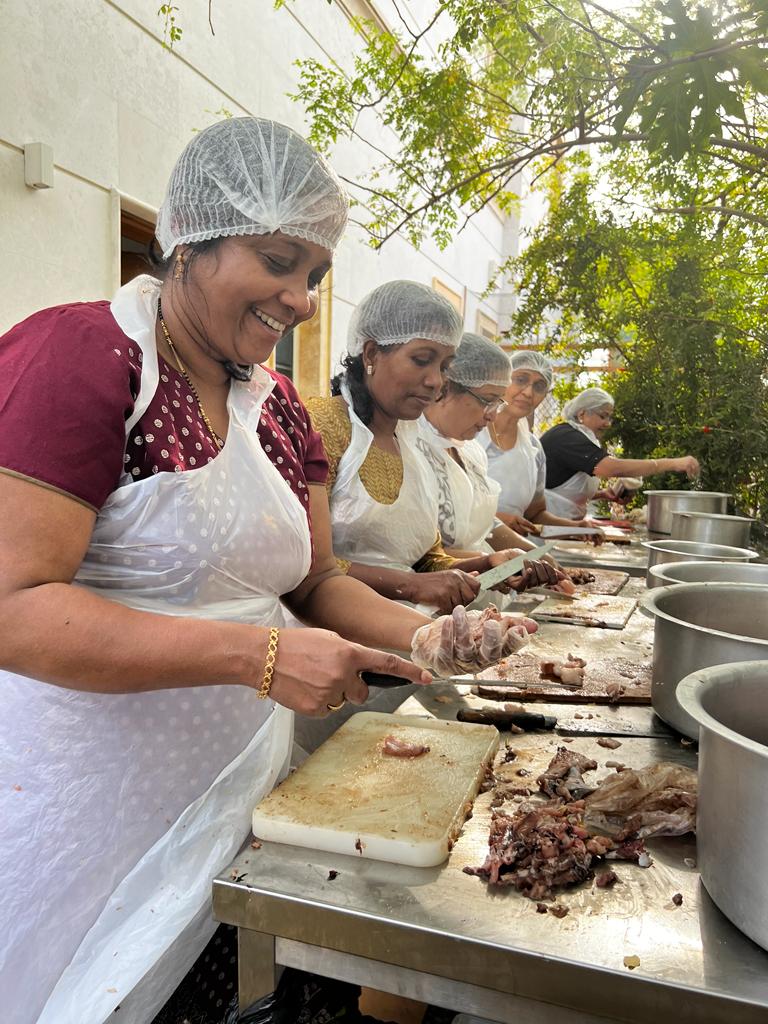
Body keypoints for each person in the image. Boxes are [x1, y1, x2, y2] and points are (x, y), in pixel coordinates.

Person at [0, 118, 534, 1024]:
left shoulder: (278, 405)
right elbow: (15, 608)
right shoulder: (85, 357)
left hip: (248, 790)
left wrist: (429, 634)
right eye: (278, 260)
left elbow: (315, 582)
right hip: (97, 808)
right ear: (189, 239)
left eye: (316, 276)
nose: (301, 299)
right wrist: (264, 660)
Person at [307, 284, 557, 613]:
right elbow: (308, 569)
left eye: (443, 367)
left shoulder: (410, 439)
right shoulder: (319, 427)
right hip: (336, 637)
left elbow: (426, 560)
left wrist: (491, 563)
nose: (435, 381)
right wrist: (411, 585)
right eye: (421, 360)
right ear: (370, 354)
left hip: (415, 630)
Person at [415, 333, 564, 589]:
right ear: (445, 387)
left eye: (498, 403)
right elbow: (414, 556)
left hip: (475, 592)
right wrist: (491, 562)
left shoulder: (468, 450)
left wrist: (536, 555)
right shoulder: (409, 447)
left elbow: (484, 524)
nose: (492, 417)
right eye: (487, 402)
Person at [481, 351, 599, 535]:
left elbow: (535, 514)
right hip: (465, 553)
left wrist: (576, 527)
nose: (528, 392)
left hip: (513, 554)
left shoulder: (533, 448)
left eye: (539, 386)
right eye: (520, 379)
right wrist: (499, 519)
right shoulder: (471, 432)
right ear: (502, 379)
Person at [540, 386, 700, 519]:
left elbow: (560, 487)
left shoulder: (581, 438)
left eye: (610, 418)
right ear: (582, 414)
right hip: (546, 527)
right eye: (603, 416)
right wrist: (672, 463)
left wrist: (602, 494)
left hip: (563, 525)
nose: (608, 424)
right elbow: (613, 468)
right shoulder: (566, 437)